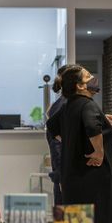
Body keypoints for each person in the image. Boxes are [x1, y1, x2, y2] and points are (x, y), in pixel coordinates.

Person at [46, 65, 112, 223]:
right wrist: (98, 152)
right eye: (88, 76)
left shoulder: (68, 104)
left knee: (76, 219)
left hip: (73, 173)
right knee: (93, 220)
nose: (92, 78)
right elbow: (91, 127)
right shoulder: (87, 104)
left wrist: (74, 142)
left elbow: (52, 127)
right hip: (90, 174)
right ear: (80, 85)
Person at [45, 65, 69, 204]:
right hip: (67, 172)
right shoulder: (64, 105)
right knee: (69, 211)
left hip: (66, 171)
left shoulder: (62, 104)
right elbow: (57, 144)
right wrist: (60, 176)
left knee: (67, 210)